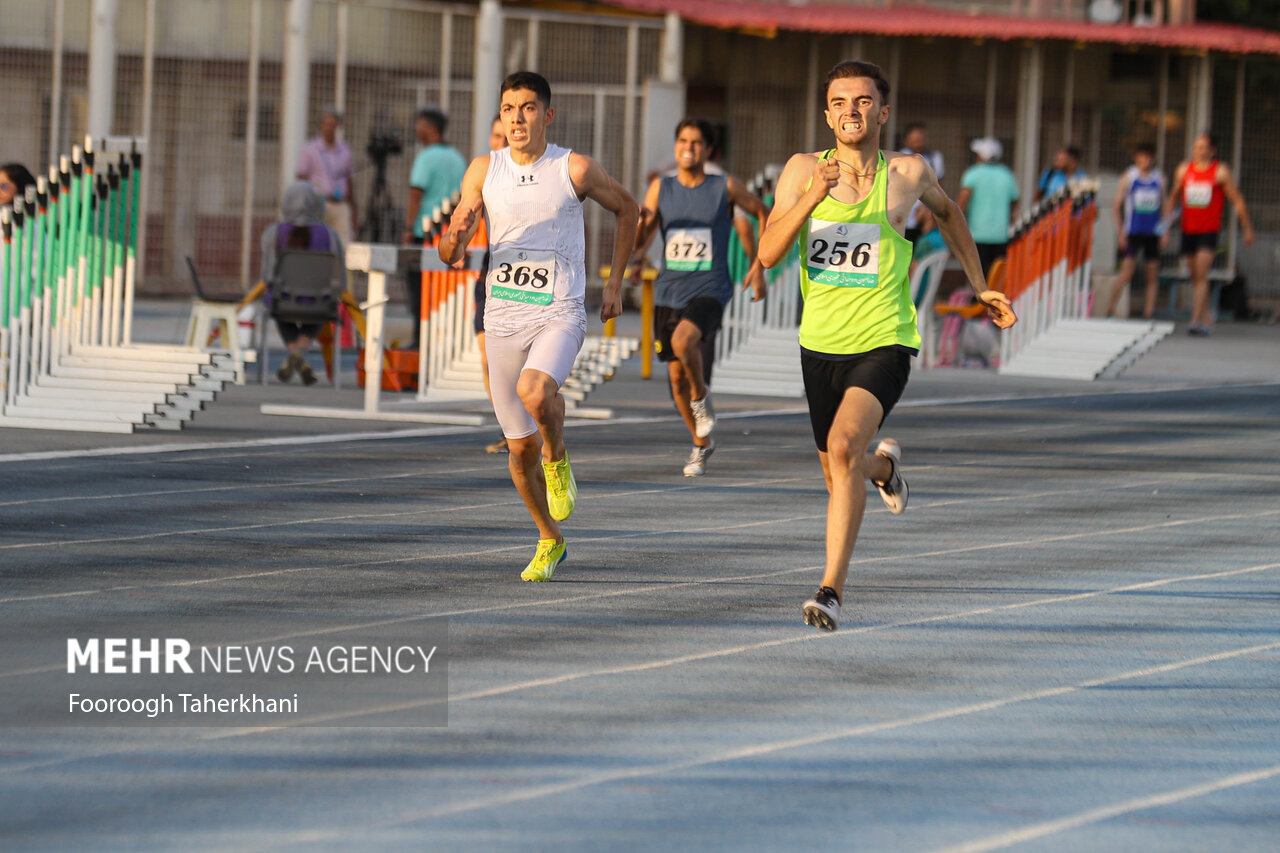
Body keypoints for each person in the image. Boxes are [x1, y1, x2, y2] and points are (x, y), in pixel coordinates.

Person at [757, 60, 1016, 631]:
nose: (853, 110)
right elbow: (769, 252)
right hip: (819, 344)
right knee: (840, 469)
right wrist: (808, 199)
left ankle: (830, 591)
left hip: (885, 339)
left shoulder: (908, 172)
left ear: (884, 111)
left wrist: (979, 284)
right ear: (827, 114)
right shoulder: (802, 170)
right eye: (841, 102)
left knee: (843, 447)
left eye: (864, 101)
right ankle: (885, 469)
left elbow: (950, 216)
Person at [438, 71, 638, 582]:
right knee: (515, 449)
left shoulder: (574, 168)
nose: (518, 118)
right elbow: (451, 253)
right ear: (500, 117)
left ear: (547, 115)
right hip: (502, 317)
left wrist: (615, 284)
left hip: (559, 311)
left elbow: (629, 209)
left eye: (528, 108)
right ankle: (550, 537)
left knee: (536, 390)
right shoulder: (483, 170)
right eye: (509, 109)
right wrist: (455, 237)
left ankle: (558, 456)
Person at [630, 118, 769, 477]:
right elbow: (645, 231)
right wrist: (634, 259)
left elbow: (761, 212)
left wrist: (759, 265)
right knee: (674, 380)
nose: (688, 148)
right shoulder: (661, 188)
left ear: (707, 150)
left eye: (696, 143)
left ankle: (700, 399)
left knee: (684, 340)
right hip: (668, 290)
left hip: (710, 288)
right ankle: (700, 444)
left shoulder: (725, 186)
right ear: (675, 146)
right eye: (682, 141)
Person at [1164, 132, 1255, 335]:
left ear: (1212, 151)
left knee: (1202, 273)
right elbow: (1173, 198)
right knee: (1195, 275)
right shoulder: (1183, 170)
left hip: (1209, 230)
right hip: (1188, 229)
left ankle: (1195, 320)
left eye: (1203, 147)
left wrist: (1247, 227)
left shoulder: (1219, 172)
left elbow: (1237, 200)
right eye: (1196, 147)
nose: (1199, 151)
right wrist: (1165, 227)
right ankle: (1206, 314)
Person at [260, 182, 345, 385]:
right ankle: (298, 353)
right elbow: (339, 277)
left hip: (284, 302)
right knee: (319, 311)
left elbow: (268, 276)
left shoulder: (273, 234)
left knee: (280, 311)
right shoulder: (330, 235)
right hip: (319, 304)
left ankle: (295, 353)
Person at [403, 107, 466, 348]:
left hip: (424, 233)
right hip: (448, 235)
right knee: (443, 291)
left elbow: (415, 195)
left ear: (430, 128)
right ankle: (442, 341)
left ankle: (420, 340)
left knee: (419, 290)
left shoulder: (426, 157)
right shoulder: (457, 157)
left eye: (419, 124)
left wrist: (409, 228)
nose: (415, 129)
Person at [476, 115, 509, 454]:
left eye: (506, 137)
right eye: (495, 136)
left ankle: (526, 426)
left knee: (518, 366)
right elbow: (466, 212)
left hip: (532, 280)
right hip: (490, 271)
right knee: (488, 359)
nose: (500, 143)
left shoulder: (540, 176)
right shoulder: (483, 172)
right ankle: (508, 428)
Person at [1105, 143, 1167, 320]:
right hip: (1133, 232)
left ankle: (1149, 313)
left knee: (1152, 274)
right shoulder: (1129, 177)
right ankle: (1110, 308)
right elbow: (1116, 207)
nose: (1145, 160)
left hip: (1152, 234)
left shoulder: (1158, 178)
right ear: (1136, 158)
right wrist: (1120, 232)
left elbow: (1164, 208)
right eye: (1142, 156)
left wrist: (1164, 231)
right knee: (1126, 272)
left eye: (1148, 156)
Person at [956, 137, 1020, 276]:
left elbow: (962, 202)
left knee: (978, 275)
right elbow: (1015, 202)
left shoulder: (973, 173)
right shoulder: (1007, 175)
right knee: (997, 275)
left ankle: (979, 298)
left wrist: (958, 226)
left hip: (976, 234)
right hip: (1001, 235)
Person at [295, 107, 358, 246]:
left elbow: (349, 180)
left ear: (338, 126)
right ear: (321, 125)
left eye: (333, 124)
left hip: (340, 203)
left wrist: (354, 210)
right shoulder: (310, 149)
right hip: (319, 203)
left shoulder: (344, 151)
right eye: (327, 124)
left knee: (343, 244)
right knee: (317, 242)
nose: (329, 128)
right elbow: (301, 177)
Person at [899, 122, 944, 244]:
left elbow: (938, 185)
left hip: (926, 214)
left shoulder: (935, 158)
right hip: (905, 212)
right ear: (907, 141)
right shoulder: (900, 157)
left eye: (921, 139)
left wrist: (928, 209)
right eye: (915, 139)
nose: (918, 142)